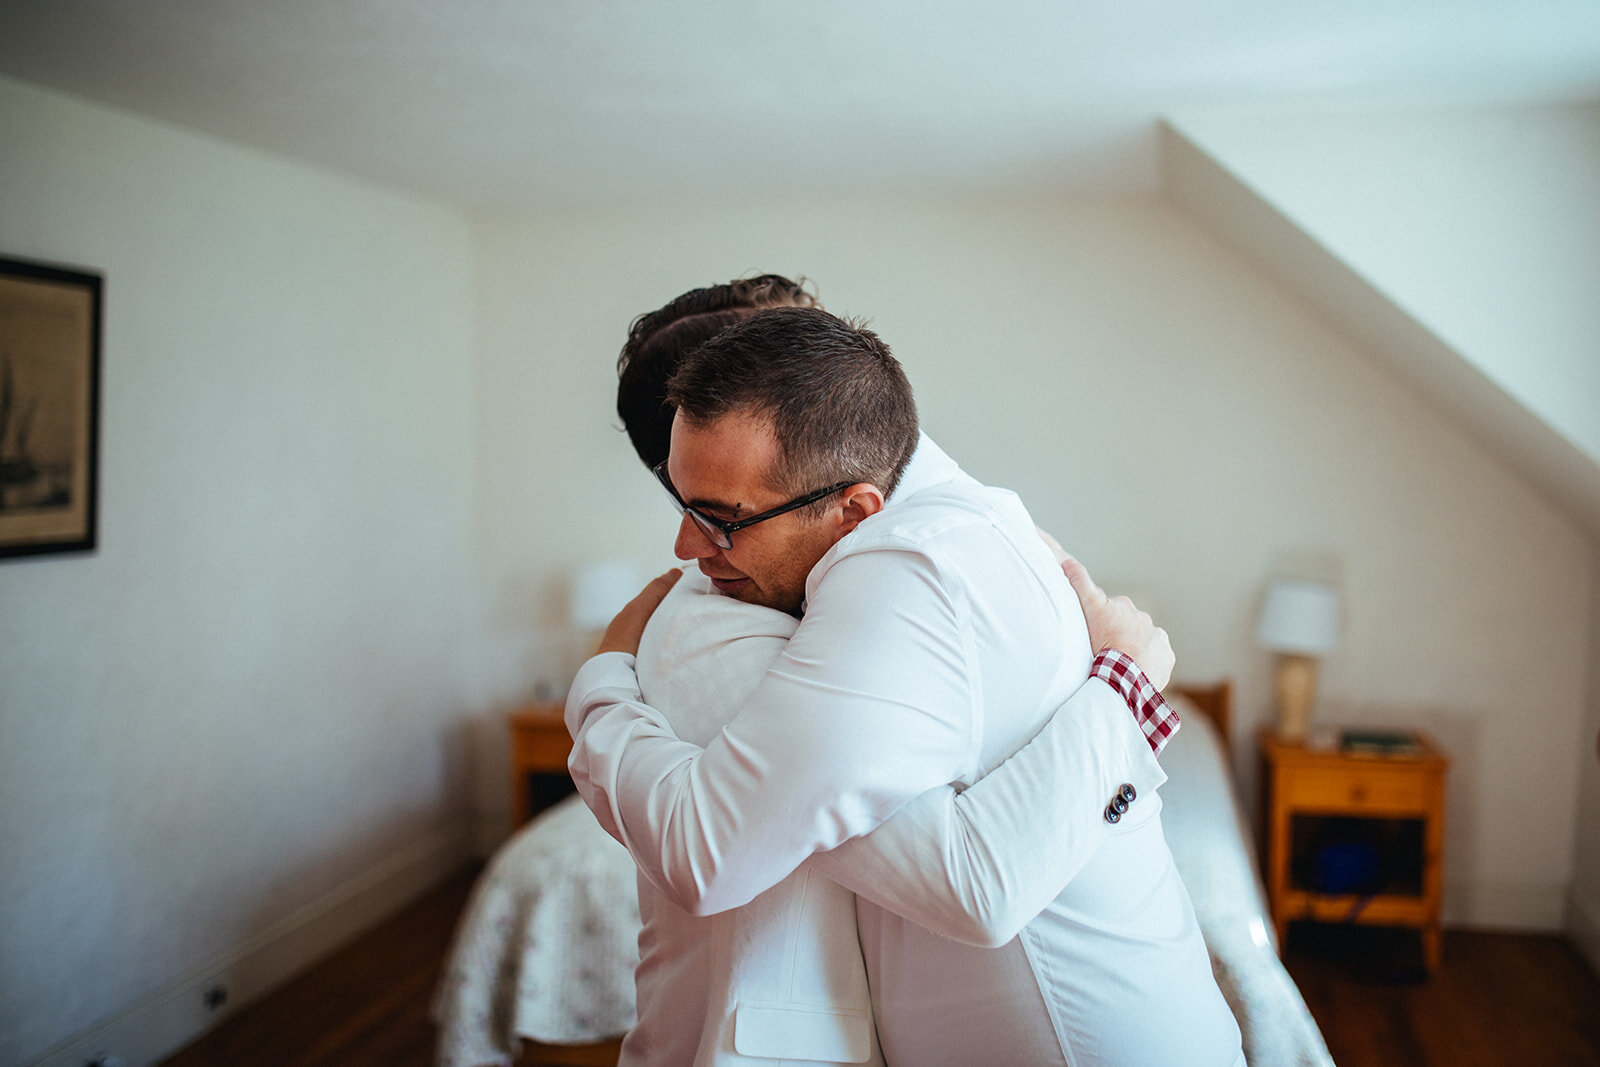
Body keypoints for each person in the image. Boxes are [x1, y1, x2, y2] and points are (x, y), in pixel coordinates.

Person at [581, 294, 1242, 1064]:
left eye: (722, 517)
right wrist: (1125, 689)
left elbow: (968, 883)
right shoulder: (943, 535)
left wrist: (598, 691)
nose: (688, 546)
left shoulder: (909, 572)